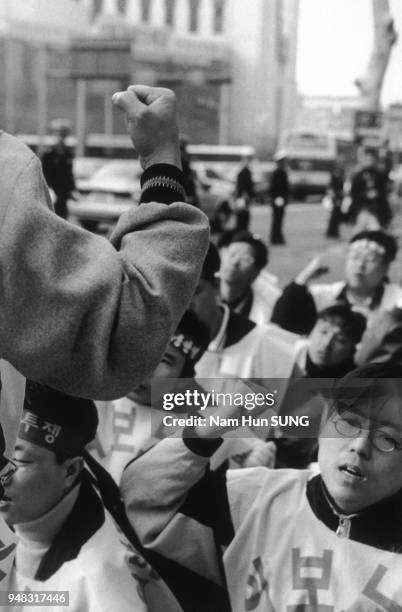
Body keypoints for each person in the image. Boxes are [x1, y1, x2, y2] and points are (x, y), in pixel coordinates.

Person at [0, 85, 208, 462]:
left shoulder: (214, 402)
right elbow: (124, 326)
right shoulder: (5, 170)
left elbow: (282, 416)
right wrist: (162, 158)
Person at [121, 362, 402, 611]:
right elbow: (143, 500)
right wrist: (205, 433)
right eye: (349, 423)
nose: (360, 446)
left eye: (388, 439)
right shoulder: (251, 497)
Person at [1, 382, 182, 612]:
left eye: (19, 461)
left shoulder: (99, 583)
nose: (1, 475)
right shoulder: (27, 523)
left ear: (71, 470)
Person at [92, 310, 210, 482]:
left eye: (165, 360)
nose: (146, 369)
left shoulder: (193, 429)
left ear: (183, 379)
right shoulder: (84, 395)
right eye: (143, 352)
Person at [271, 229, 402, 336]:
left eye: (370, 260)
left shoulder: (397, 300)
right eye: (355, 257)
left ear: (385, 268)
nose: (360, 265)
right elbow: (281, 319)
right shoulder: (324, 296)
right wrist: (303, 279)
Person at [218, 232, 280, 325]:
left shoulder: (266, 311)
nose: (235, 262)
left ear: (256, 273)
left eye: (245, 259)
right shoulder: (198, 290)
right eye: (232, 254)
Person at [41, 119, 76, 219]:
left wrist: (73, 189)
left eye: (63, 135)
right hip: (52, 190)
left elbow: (69, 173)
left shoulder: (68, 153)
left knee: (63, 215)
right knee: (51, 216)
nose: (61, 137)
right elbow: (45, 173)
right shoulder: (48, 154)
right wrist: (48, 189)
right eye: (58, 134)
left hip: (63, 191)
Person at [349, 149, 392, 228]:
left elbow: (384, 191)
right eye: (367, 159)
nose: (369, 161)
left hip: (377, 210)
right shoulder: (358, 176)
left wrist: (377, 193)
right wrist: (365, 195)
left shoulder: (379, 175)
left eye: (371, 159)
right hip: (362, 209)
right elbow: (353, 193)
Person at [269, 151, 290, 245]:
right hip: (278, 199)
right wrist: (278, 198)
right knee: (277, 219)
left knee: (279, 219)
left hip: (280, 199)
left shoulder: (282, 172)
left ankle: (277, 236)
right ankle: (275, 237)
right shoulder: (278, 173)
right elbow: (274, 188)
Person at [325, 160, 345, 239]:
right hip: (336, 197)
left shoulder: (340, 176)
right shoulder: (334, 176)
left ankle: (335, 232)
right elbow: (331, 188)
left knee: (337, 216)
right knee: (334, 216)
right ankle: (331, 232)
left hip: (339, 197)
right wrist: (334, 197)